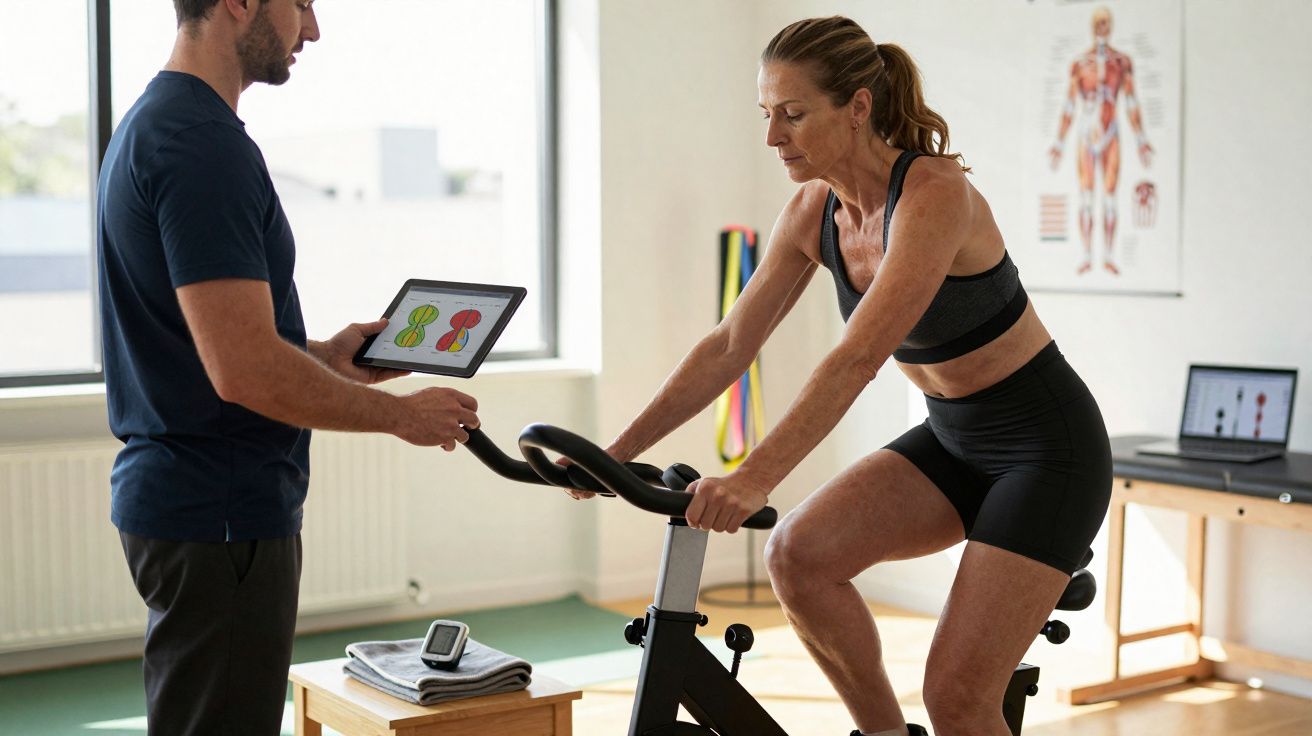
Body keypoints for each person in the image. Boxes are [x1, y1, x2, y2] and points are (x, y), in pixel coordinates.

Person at [580, 16, 1112, 736]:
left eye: (794, 115)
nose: (774, 137)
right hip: (953, 441)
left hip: (1048, 452)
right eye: (767, 115)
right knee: (797, 556)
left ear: (858, 107)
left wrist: (754, 476)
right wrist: (615, 453)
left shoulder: (934, 193)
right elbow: (729, 345)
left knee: (957, 697)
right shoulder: (813, 211)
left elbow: (858, 358)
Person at [97, 1, 479, 733]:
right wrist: (404, 417)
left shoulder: (154, 124)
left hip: (189, 504)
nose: (313, 28)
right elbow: (243, 371)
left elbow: (209, 340)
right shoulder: (203, 146)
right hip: (222, 511)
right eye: (300, 2)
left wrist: (326, 359)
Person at [1048, 5, 1153, 276]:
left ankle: (1107, 256)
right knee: (1085, 196)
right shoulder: (1081, 64)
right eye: (1098, 22)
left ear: (1111, 26)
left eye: (1106, 22)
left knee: (1109, 197)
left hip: (1111, 132)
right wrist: (1059, 142)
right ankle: (1086, 255)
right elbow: (1070, 104)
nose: (1101, 27)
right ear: (1092, 26)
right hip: (1086, 133)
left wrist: (1141, 138)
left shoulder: (1122, 62)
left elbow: (1131, 102)